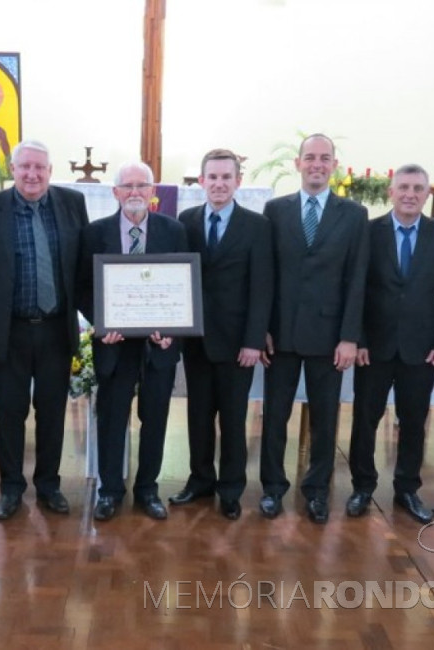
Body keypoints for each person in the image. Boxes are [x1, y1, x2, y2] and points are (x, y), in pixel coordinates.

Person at [0, 140, 89, 521]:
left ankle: (49, 485)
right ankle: (11, 488)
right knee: (10, 414)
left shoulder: (71, 205)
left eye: (40, 168)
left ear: (50, 171)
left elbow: (80, 261)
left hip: (55, 330)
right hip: (9, 330)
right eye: (25, 167)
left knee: (51, 412)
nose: (32, 175)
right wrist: (1, 293)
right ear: (12, 169)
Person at [259, 133, 369, 523]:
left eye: (324, 158)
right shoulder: (275, 211)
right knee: (274, 418)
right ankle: (272, 488)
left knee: (325, 421)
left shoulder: (354, 215)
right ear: (298, 164)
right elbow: (266, 275)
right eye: (310, 157)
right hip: (282, 334)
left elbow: (357, 279)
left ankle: (317, 491)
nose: (317, 164)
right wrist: (262, 329)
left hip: (329, 338)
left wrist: (350, 337)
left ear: (334, 165)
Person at [346, 164, 434, 524]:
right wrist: (359, 338)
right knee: (365, 420)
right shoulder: (369, 232)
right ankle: (363, 486)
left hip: (421, 348)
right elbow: (356, 290)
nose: (410, 194)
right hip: (374, 348)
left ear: (427, 194)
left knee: (414, 421)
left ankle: (407, 489)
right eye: (403, 187)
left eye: (417, 188)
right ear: (390, 192)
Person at [78, 161, 187, 521]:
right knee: (111, 417)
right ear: (115, 193)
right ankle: (109, 490)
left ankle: (147, 489)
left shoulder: (174, 231)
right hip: (114, 345)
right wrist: (100, 322)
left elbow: (183, 286)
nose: (135, 192)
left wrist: (172, 328)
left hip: (159, 346)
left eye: (143, 186)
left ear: (154, 192)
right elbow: (82, 286)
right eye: (128, 186)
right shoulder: (94, 233)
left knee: (155, 418)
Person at [171, 149, 273, 520]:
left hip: (237, 344)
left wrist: (253, 339)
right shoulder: (186, 220)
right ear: (201, 181)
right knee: (198, 416)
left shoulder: (257, 226)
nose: (218, 184)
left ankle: (231, 488)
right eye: (211, 177)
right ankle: (200, 480)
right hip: (196, 339)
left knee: (232, 418)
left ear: (237, 182)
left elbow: (262, 287)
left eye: (225, 178)